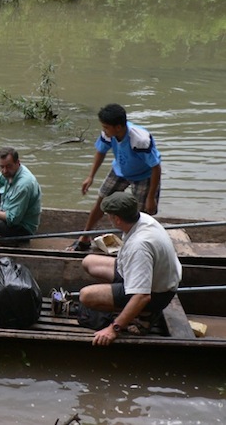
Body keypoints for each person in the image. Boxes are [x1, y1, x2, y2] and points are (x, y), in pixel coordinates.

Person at [79, 192, 181, 346]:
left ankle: (146, 314)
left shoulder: (139, 247)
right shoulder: (142, 219)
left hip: (156, 294)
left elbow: (143, 296)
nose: (108, 218)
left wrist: (114, 329)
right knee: (89, 262)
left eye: (109, 215)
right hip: (151, 275)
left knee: (86, 296)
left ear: (117, 219)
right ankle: (126, 305)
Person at [68, 103, 161, 251]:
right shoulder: (108, 134)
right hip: (120, 170)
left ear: (118, 127)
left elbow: (156, 167)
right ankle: (85, 236)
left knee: (142, 214)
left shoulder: (140, 140)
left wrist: (151, 197)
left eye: (106, 127)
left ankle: (139, 246)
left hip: (144, 175)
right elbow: (101, 152)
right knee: (102, 199)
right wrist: (90, 176)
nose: (104, 130)